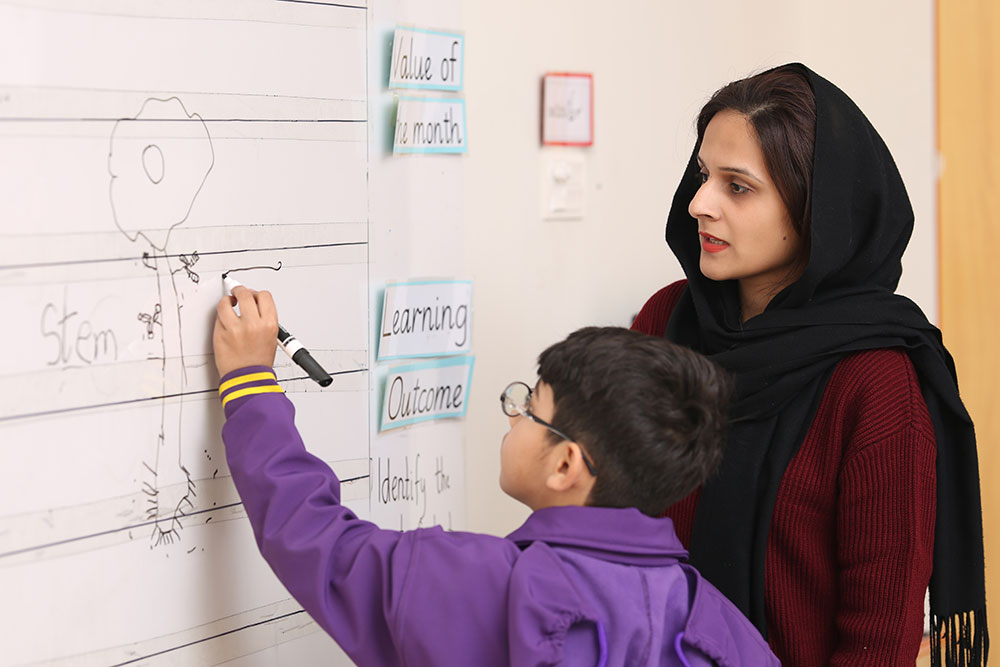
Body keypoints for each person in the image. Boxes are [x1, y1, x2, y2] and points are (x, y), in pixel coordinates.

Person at [212, 285, 778, 666]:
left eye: (530, 406)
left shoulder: (480, 583)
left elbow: (319, 544)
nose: (512, 413)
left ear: (565, 465)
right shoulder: (718, 625)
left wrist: (250, 384)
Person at [631, 62, 988, 666]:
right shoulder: (666, 324)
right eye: (702, 175)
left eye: (736, 186)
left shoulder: (875, 382)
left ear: (815, 210)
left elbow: (877, 637)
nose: (698, 203)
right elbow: (611, 530)